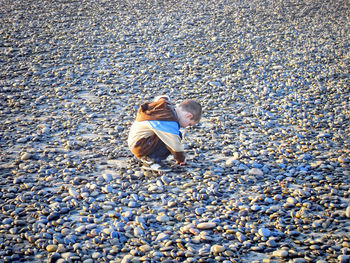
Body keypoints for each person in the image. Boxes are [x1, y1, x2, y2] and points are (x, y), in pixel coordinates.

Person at [128, 95, 202, 172]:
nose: (186, 126)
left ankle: (145, 157)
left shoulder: (166, 108)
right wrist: (181, 158)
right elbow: (174, 144)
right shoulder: (168, 119)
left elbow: (162, 98)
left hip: (137, 142)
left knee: (174, 134)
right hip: (140, 145)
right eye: (189, 124)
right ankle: (150, 161)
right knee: (175, 137)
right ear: (188, 115)